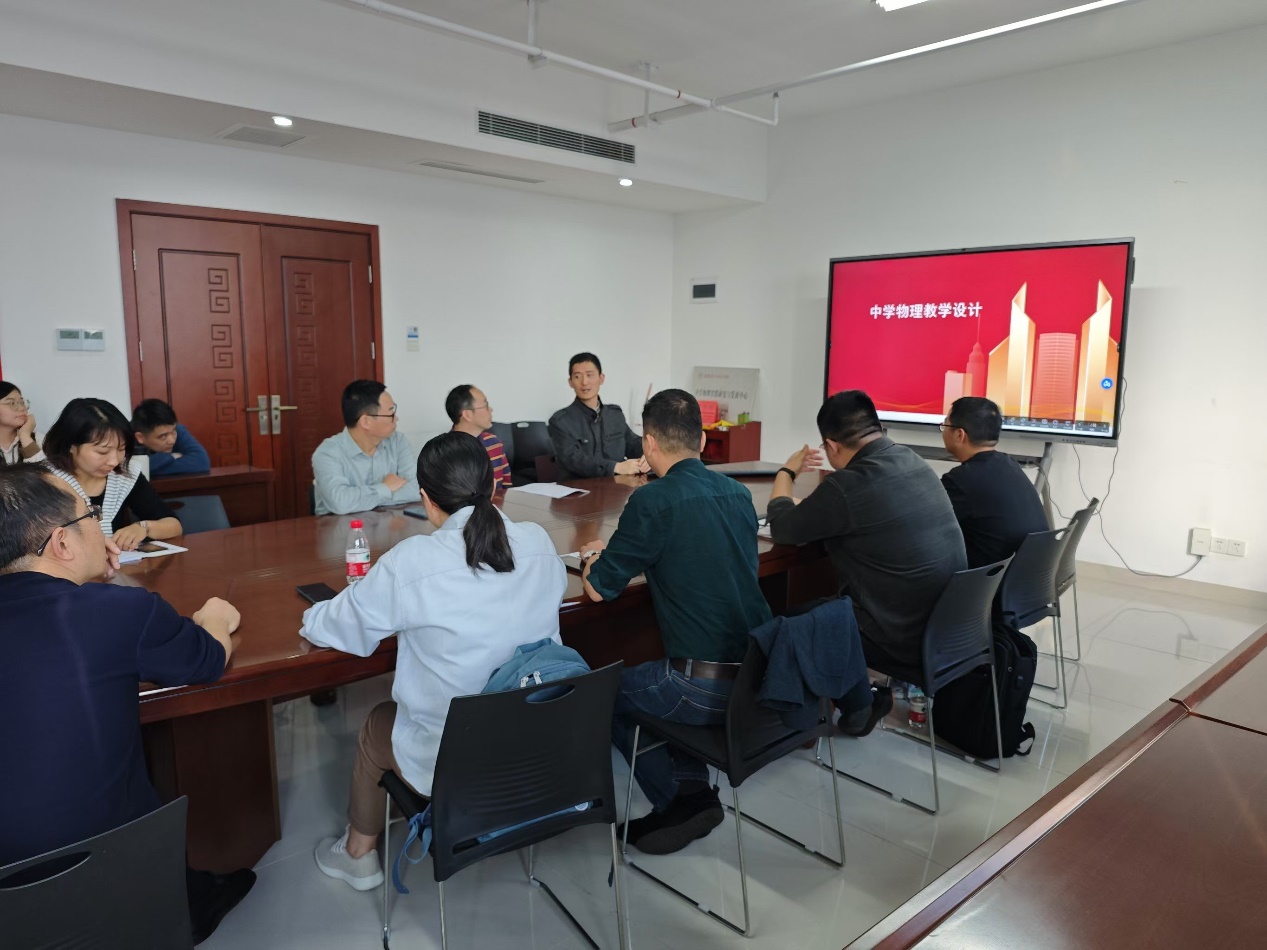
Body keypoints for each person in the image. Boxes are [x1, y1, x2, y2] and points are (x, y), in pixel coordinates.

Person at [0, 466, 253, 944]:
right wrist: (216, 617)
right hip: (100, 863)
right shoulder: (118, 611)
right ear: (62, 542)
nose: (102, 528)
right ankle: (189, 900)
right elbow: (206, 660)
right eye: (91, 517)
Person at [304, 432, 567, 890]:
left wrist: (313, 612)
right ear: (493, 485)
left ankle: (358, 853)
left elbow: (334, 627)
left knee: (376, 725)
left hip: (459, 760)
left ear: (426, 500)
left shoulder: (412, 561)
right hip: (538, 743)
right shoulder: (538, 541)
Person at [577, 389, 770, 855]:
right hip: (760, 673)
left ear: (648, 444)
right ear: (701, 441)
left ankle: (681, 800)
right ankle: (690, 786)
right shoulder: (738, 493)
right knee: (656, 674)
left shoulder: (653, 501)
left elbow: (599, 588)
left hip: (701, 686)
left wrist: (592, 558)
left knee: (607, 694)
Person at [766, 390, 967, 677]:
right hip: (944, 630)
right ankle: (854, 698)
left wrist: (786, 472)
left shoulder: (848, 484)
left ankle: (846, 701)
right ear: (877, 428)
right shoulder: (911, 459)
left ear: (831, 446)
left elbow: (782, 528)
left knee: (778, 627)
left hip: (897, 637)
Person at [43, 397, 183, 551]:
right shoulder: (45, 480)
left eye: (121, 449)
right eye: (102, 452)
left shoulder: (124, 475)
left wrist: (144, 527)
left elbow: (174, 525)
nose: (114, 461)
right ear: (71, 445)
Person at [940, 397, 1049, 568]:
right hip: (1029, 576)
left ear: (959, 435)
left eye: (945, 425)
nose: (942, 430)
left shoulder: (961, 480)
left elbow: (925, 524)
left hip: (989, 580)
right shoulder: (1009, 464)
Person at [312, 380, 418, 515]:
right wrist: (386, 488)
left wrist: (363, 500)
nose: (396, 418)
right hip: (338, 525)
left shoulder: (398, 442)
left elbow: (417, 489)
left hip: (389, 522)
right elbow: (340, 502)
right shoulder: (327, 453)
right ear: (366, 422)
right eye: (391, 413)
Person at [549, 352, 649, 478]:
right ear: (570, 382)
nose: (584, 382)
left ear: (601, 378)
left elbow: (632, 443)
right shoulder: (560, 421)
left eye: (590, 375)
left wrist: (647, 455)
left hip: (617, 487)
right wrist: (615, 467)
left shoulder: (614, 415)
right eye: (577, 376)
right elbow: (572, 459)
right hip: (577, 488)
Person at [445, 384, 511, 489]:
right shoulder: (445, 452)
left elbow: (506, 485)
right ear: (467, 415)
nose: (491, 409)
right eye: (485, 405)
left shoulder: (494, 443)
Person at [132, 398, 212, 478]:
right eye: (163, 436)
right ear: (140, 437)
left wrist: (150, 466)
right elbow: (130, 470)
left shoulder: (177, 429)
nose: (172, 441)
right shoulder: (126, 439)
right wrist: (171, 456)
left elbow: (202, 462)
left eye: (173, 432)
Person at [0, 381, 43, 465]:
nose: (22, 408)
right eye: (11, 403)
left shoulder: (38, 439)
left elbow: (48, 472)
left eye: (22, 402)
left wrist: (25, 436)